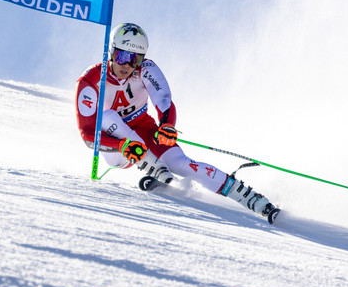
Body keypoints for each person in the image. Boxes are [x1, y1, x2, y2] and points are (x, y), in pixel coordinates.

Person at [75, 22, 281, 224]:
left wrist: (167, 126)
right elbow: (87, 135)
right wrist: (122, 145)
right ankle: (156, 168)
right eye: (123, 57)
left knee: (182, 163)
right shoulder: (90, 81)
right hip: (114, 147)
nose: (128, 65)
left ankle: (251, 199)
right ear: (112, 52)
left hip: (143, 129)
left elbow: (164, 100)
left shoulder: (145, 69)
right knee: (107, 115)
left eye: (135, 59)